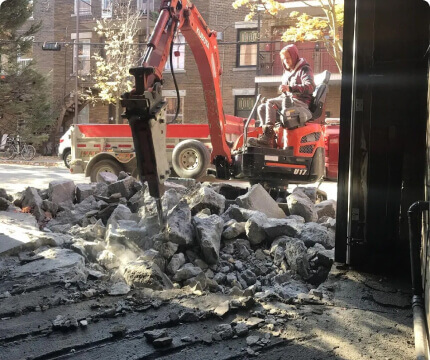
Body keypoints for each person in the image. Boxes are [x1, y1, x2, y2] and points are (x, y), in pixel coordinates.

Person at [248, 44, 315, 148]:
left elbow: (310, 87)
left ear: (294, 56)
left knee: (271, 102)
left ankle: (267, 138)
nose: (286, 61)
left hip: (301, 103)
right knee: (262, 107)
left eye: (288, 58)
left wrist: (290, 88)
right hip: (289, 101)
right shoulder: (288, 72)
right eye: (284, 59)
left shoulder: (304, 69)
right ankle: (269, 138)